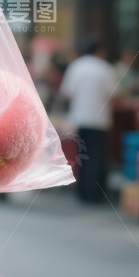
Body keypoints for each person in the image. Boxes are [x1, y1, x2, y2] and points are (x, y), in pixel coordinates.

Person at [59, 36, 116, 202]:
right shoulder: (105, 68)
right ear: (100, 51)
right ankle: (95, 192)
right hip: (100, 120)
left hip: (80, 118)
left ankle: (82, 191)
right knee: (97, 156)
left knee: (82, 155)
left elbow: (66, 93)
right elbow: (114, 94)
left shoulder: (76, 66)